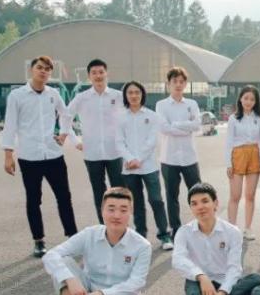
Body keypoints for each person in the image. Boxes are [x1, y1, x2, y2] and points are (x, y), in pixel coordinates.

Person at [41, 187, 151, 295]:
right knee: (63, 264)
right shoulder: (89, 234)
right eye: (111, 209)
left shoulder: (142, 245)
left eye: (123, 210)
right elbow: (50, 256)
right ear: (102, 211)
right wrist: (71, 279)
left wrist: (103, 294)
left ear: (130, 212)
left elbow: (137, 283)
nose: (116, 215)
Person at [2, 55, 78, 257]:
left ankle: (73, 237)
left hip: (53, 154)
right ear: (32, 70)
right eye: (40, 67)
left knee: (64, 197)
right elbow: (10, 125)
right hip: (29, 156)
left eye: (47, 69)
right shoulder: (17, 96)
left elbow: (66, 114)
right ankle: (39, 240)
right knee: (34, 199)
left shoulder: (54, 93)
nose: (43, 71)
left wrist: (64, 133)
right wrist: (8, 154)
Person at [172, 182, 260, 295]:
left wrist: (222, 293)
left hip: (224, 284)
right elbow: (178, 259)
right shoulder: (184, 232)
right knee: (191, 277)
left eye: (205, 201)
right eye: (194, 203)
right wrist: (202, 277)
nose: (200, 207)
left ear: (215, 203)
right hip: (200, 285)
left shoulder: (232, 232)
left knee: (256, 279)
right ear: (191, 208)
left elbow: (234, 268)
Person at [63, 59, 125, 223]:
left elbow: (130, 118)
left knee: (119, 191)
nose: (98, 76)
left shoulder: (118, 96)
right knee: (99, 192)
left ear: (106, 73)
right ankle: (104, 225)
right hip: (92, 154)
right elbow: (65, 117)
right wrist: (75, 140)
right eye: (94, 73)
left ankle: (121, 224)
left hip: (115, 152)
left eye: (101, 72)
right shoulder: (82, 98)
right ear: (89, 76)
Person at [116, 81, 170, 248]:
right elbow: (119, 142)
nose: (134, 95)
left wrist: (138, 159)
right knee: (137, 204)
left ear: (142, 94)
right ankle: (141, 237)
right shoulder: (120, 117)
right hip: (129, 169)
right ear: (125, 96)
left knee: (156, 200)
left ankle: (164, 235)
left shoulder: (152, 116)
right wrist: (130, 159)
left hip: (149, 167)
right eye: (130, 93)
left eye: (137, 92)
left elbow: (152, 141)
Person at [155, 66, 202, 248]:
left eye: (181, 81)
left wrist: (176, 124)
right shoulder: (161, 105)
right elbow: (163, 128)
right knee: (172, 196)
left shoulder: (192, 104)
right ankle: (176, 230)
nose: (178, 84)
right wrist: (185, 127)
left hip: (190, 157)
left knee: (198, 193)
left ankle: (201, 227)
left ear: (185, 84)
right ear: (169, 84)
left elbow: (197, 125)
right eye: (175, 81)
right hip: (169, 158)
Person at [225, 85, 260, 241]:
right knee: (235, 195)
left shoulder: (259, 118)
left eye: (252, 99)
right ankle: (232, 229)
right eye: (246, 98)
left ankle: (247, 228)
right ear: (240, 99)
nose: (248, 102)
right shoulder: (234, 118)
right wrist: (228, 163)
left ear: (256, 102)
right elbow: (228, 142)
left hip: (254, 154)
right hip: (238, 154)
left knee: (250, 195)